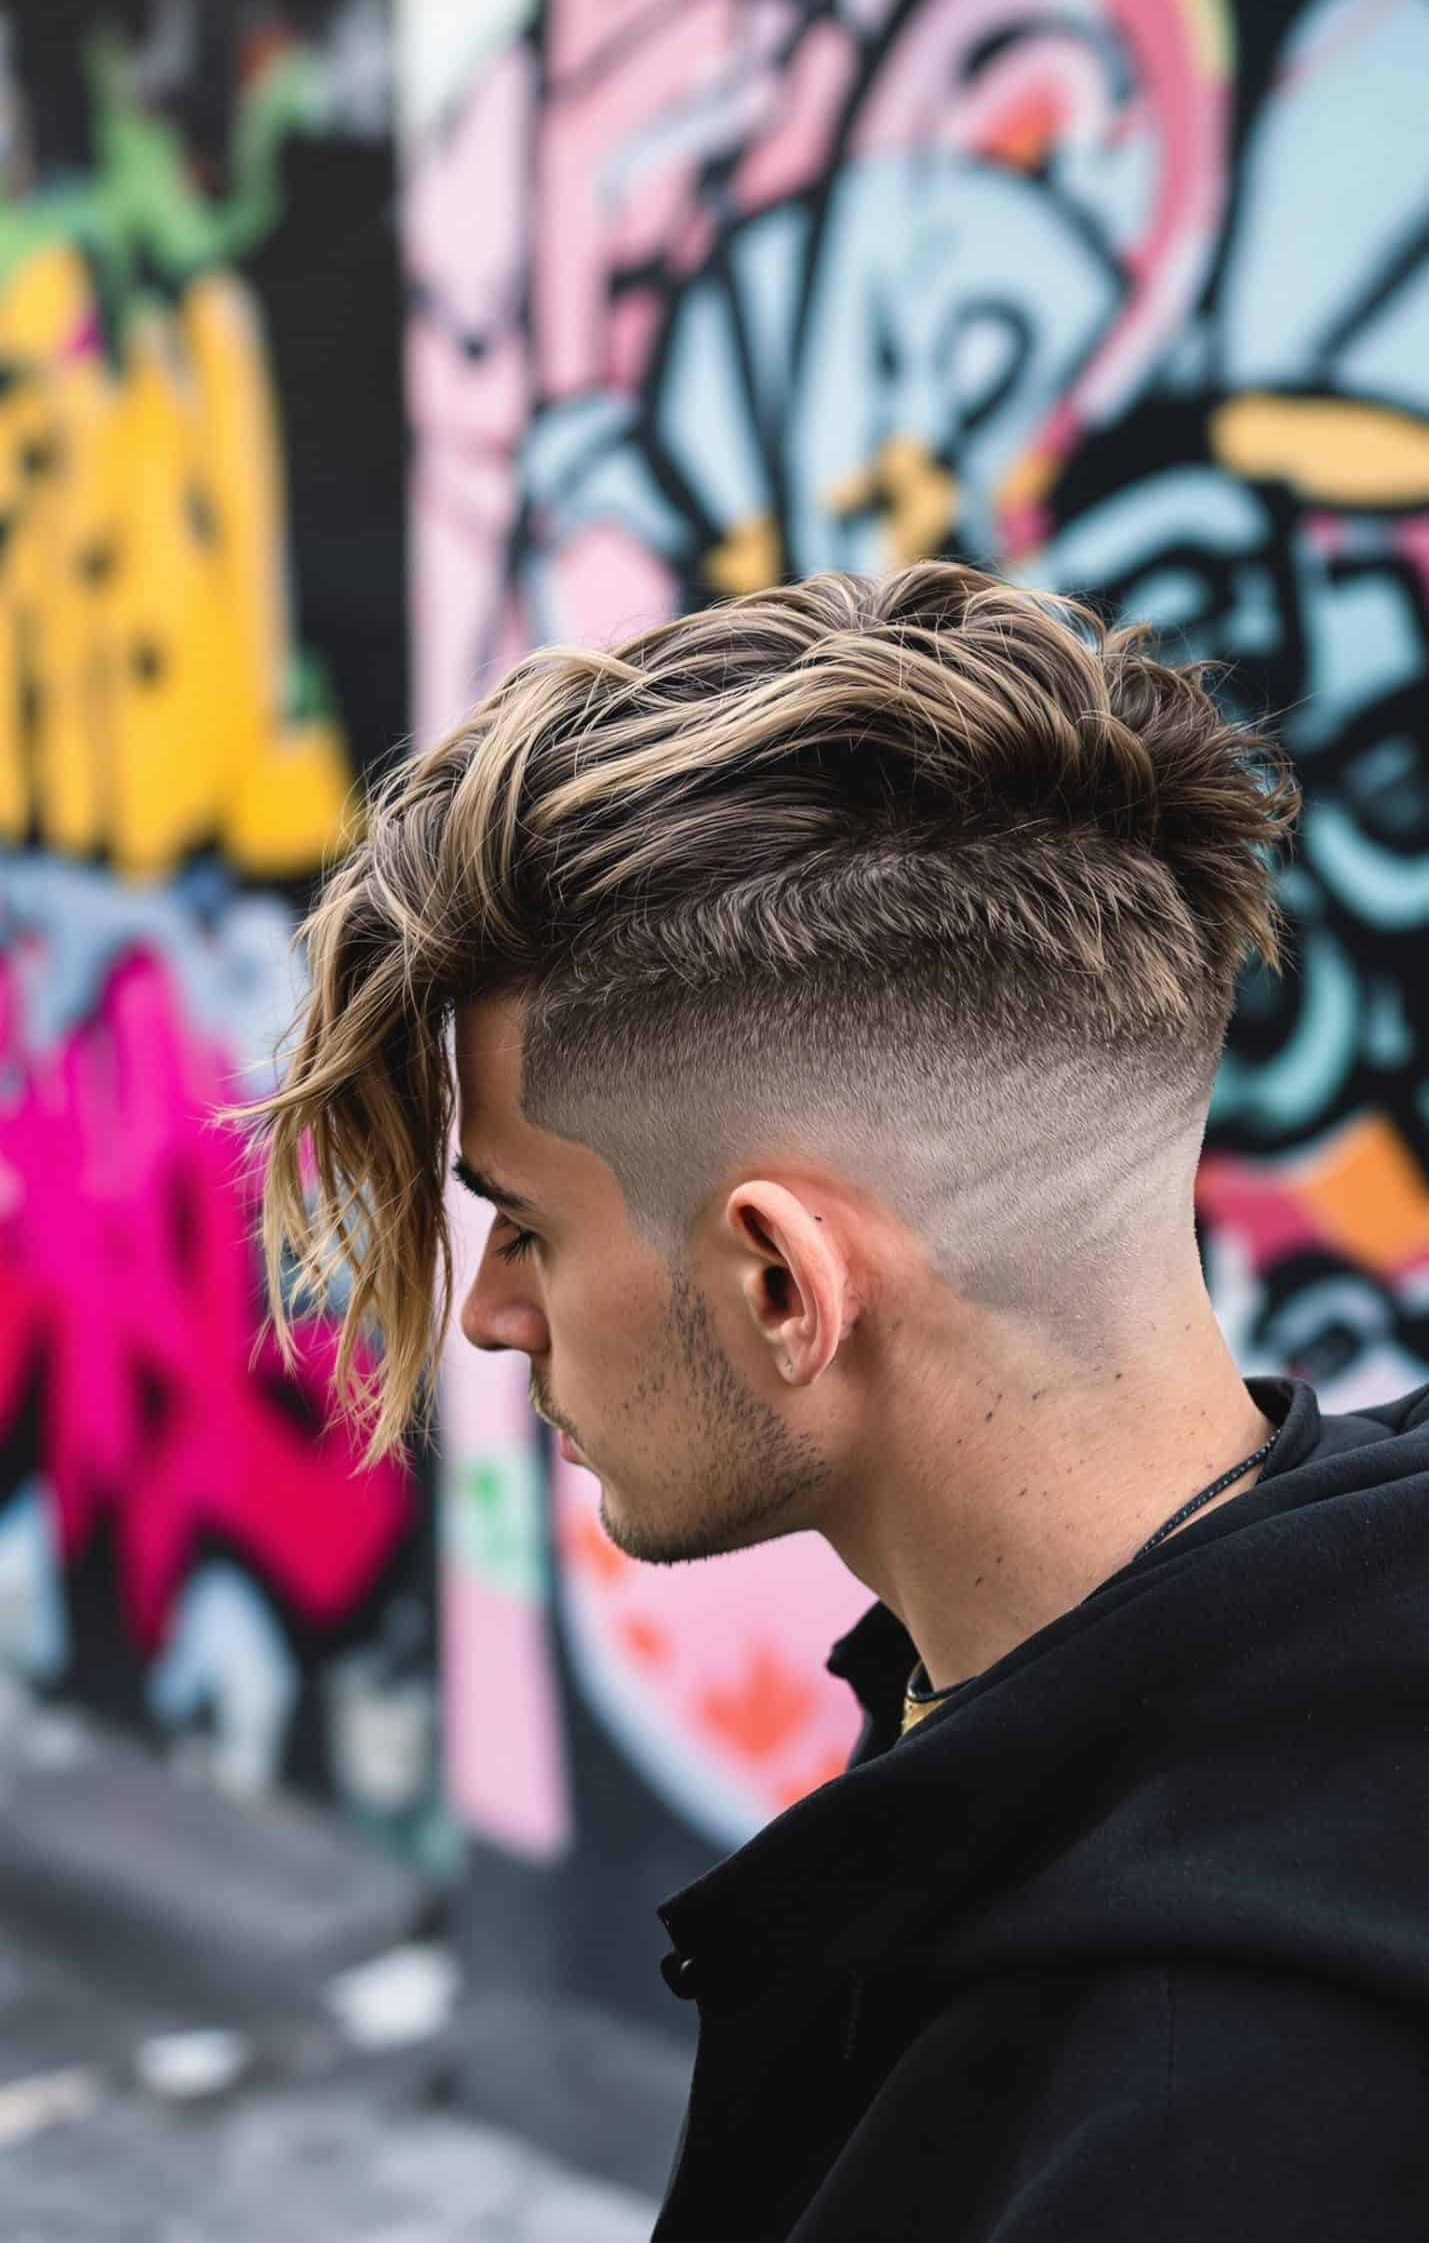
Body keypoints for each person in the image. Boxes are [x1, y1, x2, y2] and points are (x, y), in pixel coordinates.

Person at [250, 562, 1429, 2240]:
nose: (497, 1315)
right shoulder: (1238, 1704)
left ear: (784, 1286)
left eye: (521, 1222)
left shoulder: (1177, 2137)